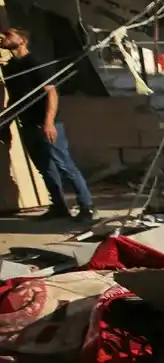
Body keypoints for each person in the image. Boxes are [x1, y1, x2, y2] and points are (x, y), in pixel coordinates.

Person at [0, 28, 94, 221]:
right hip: (27, 124)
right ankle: (59, 207)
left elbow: (51, 93)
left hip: (46, 123)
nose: (4, 37)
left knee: (65, 165)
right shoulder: (9, 68)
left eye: (9, 34)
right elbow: (15, 99)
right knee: (45, 168)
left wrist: (49, 122)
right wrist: (7, 122)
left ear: (23, 40)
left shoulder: (36, 63)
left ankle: (87, 207)